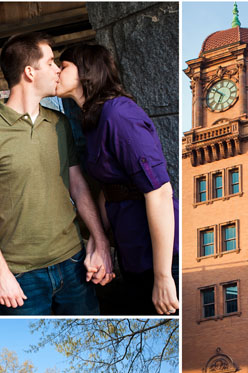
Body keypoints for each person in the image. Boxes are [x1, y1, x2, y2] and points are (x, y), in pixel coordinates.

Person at [0, 33, 113, 315]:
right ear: (30, 72)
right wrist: (1, 274)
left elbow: (78, 187)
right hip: (21, 276)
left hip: (73, 264)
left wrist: (100, 243)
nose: (58, 69)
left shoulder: (59, 123)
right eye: (52, 62)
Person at [56, 43, 179, 316]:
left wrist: (163, 277)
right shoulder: (93, 118)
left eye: (63, 66)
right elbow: (110, 188)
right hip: (132, 251)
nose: (56, 72)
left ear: (85, 71)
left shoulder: (119, 114)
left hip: (164, 257)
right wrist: (97, 242)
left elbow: (159, 192)